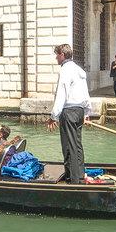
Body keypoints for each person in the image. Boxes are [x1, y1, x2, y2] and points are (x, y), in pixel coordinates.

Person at [46, 44, 91, 184]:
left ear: (62, 55)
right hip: (79, 111)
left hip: (69, 111)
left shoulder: (65, 70)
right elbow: (85, 93)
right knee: (77, 144)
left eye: (57, 55)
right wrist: (87, 112)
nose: (56, 58)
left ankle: (73, 180)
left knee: (68, 145)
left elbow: (62, 93)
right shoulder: (79, 70)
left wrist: (53, 116)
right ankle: (80, 175)